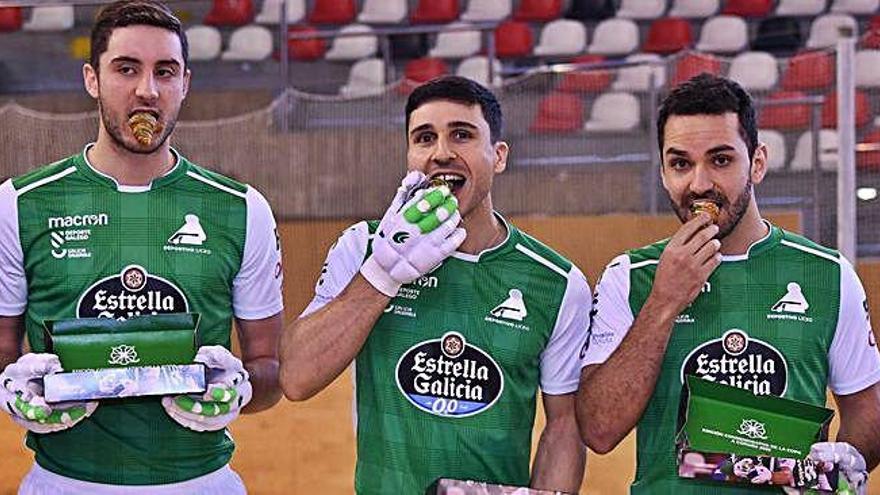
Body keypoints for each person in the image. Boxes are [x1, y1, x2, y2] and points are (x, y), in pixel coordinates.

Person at [0, 1, 284, 493]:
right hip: (63, 482)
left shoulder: (241, 209)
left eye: (165, 72)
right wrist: (13, 389)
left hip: (200, 481)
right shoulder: (18, 205)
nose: (147, 90)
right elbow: (2, 352)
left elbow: (271, 368)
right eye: (126, 68)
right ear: (92, 79)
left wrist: (237, 389)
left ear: (185, 84)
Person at [279, 76, 589, 494]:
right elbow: (297, 377)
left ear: (498, 156)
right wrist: (381, 275)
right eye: (424, 138)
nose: (441, 153)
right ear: (410, 156)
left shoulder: (556, 282)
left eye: (461, 135)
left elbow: (565, 425)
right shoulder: (363, 247)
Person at [576, 73, 880, 494]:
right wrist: (664, 301)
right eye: (681, 163)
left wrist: (844, 463)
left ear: (757, 162)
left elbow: (868, 410)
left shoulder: (827, 274)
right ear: (663, 172)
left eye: (720, 160)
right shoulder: (629, 276)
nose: (699, 184)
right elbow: (599, 429)